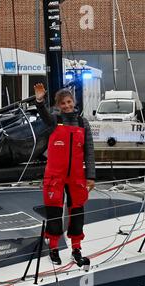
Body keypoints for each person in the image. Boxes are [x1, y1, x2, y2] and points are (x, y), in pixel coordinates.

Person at [34, 83, 95, 265]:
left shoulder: (83, 123)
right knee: (54, 210)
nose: (67, 106)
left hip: (76, 175)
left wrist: (90, 176)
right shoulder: (54, 121)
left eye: (69, 102)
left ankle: (76, 248)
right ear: (58, 106)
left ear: (73, 102)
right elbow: (44, 115)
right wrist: (39, 100)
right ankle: (53, 248)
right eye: (63, 103)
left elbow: (89, 152)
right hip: (55, 175)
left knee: (77, 211)